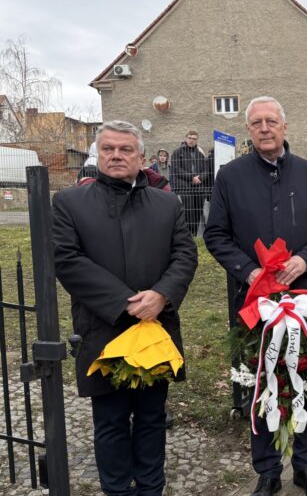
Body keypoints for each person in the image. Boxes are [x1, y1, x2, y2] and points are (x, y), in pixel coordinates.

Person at [204, 96, 307, 496]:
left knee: (305, 380)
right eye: (256, 123)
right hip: (255, 301)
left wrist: (305, 259)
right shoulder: (230, 177)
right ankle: (267, 470)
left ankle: (305, 465)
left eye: (271, 121)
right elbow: (215, 234)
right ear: (248, 130)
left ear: (284, 126)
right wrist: (249, 271)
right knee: (260, 381)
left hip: (303, 298)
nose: (264, 128)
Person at [52, 120, 198, 494]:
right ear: (98, 155)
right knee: (110, 423)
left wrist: (161, 295)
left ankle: (151, 489)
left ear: (142, 158)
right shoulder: (70, 203)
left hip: (155, 329)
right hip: (104, 330)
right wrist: (125, 303)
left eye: (125, 149)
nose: (116, 155)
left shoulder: (167, 204)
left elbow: (185, 255)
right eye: (108, 149)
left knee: (152, 418)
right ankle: (117, 490)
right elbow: (67, 260)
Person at [171, 130, 207, 235]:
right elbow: (176, 169)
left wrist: (200, 178)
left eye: (194, 139)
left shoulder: (200, 154)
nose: (192, 140)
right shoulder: (177, 152)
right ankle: (187, 235)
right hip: (185, 187)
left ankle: (194, 234)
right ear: (186, 138)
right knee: (188, 212)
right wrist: (192, 178)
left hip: (199, 187)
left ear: (197, 140)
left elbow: (206, 170)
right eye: (190, 138)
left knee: (198, 211)